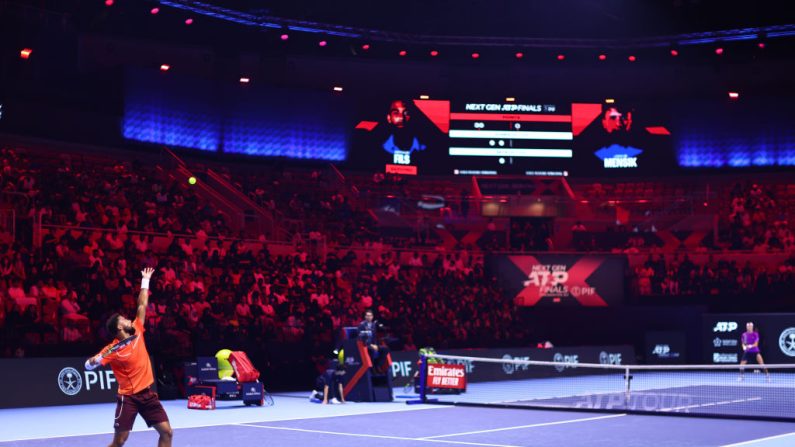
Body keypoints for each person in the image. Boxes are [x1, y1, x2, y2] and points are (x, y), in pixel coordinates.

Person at [85, 267, 173, 447]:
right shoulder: (112, 350)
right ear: (119, 328)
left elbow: (142, 304)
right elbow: (88, 365)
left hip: (148, 395)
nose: (127, 319)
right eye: (123, 320)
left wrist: (145, 281)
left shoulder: (137, 329)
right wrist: (92, 362)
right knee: (119, 441)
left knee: (167, 432)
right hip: (129, 398)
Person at [358, 309, 390, 373]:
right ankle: (372, 368)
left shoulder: (374, 325)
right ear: (365, 317)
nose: (369, 317)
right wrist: (370, 344)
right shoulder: (362, 325)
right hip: (365, 345)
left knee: (386, 349)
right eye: (367, 315)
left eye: (370, 316)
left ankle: (378, 365)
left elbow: (376, 335)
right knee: (372, 350)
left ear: (372, 317)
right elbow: (360, 335)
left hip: (374, 344)